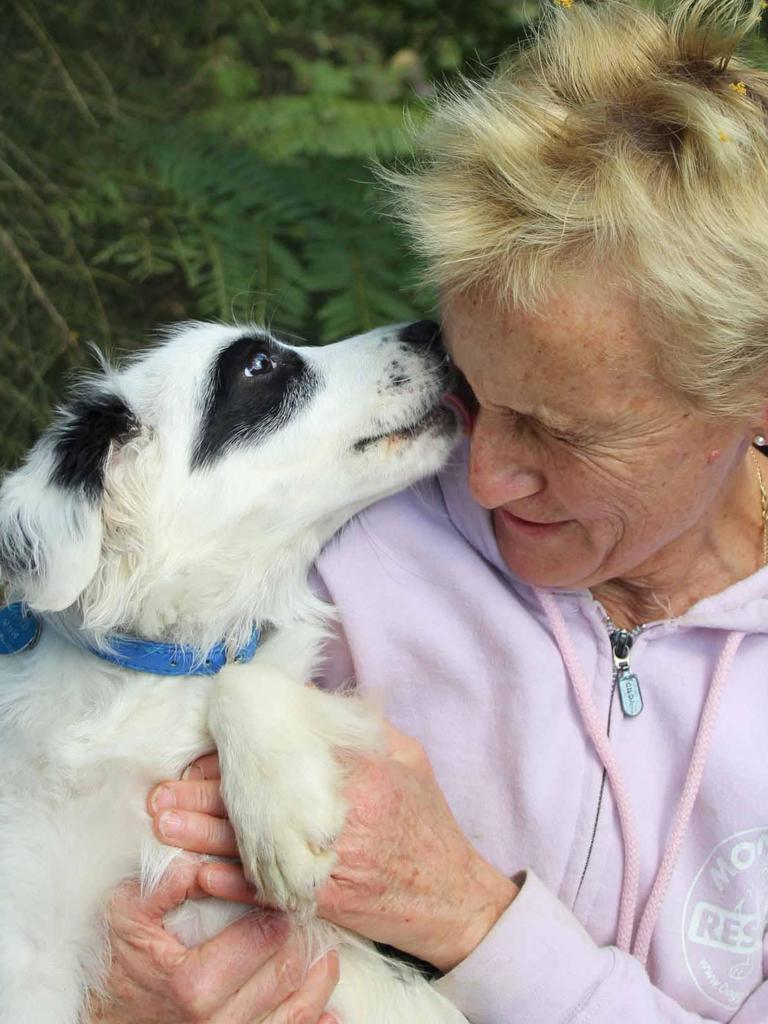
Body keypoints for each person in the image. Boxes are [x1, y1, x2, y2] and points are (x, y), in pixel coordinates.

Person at [91, 0, 768, 1020]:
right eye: (469, 395)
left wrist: (469, 918)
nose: (484, 476)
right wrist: (119, 989)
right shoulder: (342, 537)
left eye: (562, 433)